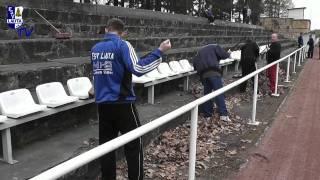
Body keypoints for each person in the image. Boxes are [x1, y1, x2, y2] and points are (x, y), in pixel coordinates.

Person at [91, 18, 171, 180]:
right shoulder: (123, 44)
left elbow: (99, 71)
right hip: (122, 104)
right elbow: (139, 68)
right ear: (123, 33)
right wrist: (159, 51)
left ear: (106, 30)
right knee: (134, 145)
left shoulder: (95, 48)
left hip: (103, 106)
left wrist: (94, 88)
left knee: (106, 149)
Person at [193, 44, 231, 122]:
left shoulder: (199, 51)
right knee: (219, 93)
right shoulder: (215, 46)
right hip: (214, 73)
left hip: (203, 75)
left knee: (207, 94)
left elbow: (195, 64)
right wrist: (228, 53)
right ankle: (223, 114)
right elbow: (223, 55)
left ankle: (207, 115)